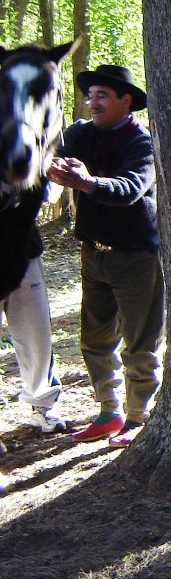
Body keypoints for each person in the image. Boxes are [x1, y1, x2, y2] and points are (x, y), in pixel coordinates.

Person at [46, 64, 164, 448]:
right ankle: (109, 411)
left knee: (140, 343)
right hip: (92, 253)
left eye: (101, 96)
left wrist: (87, 182)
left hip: (136, 257)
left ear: (125, 101)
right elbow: (51, 154)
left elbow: (129, 188)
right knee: (95, 340)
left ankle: (138, 417)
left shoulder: (142, 143)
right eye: (90, 95)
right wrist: (53, 166)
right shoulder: (80, 134)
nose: (92, 103)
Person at [0, 183, 65, 434]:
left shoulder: (25, 158)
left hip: (23, 251)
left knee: (36, 333)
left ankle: (43, 405)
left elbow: (49, 192)